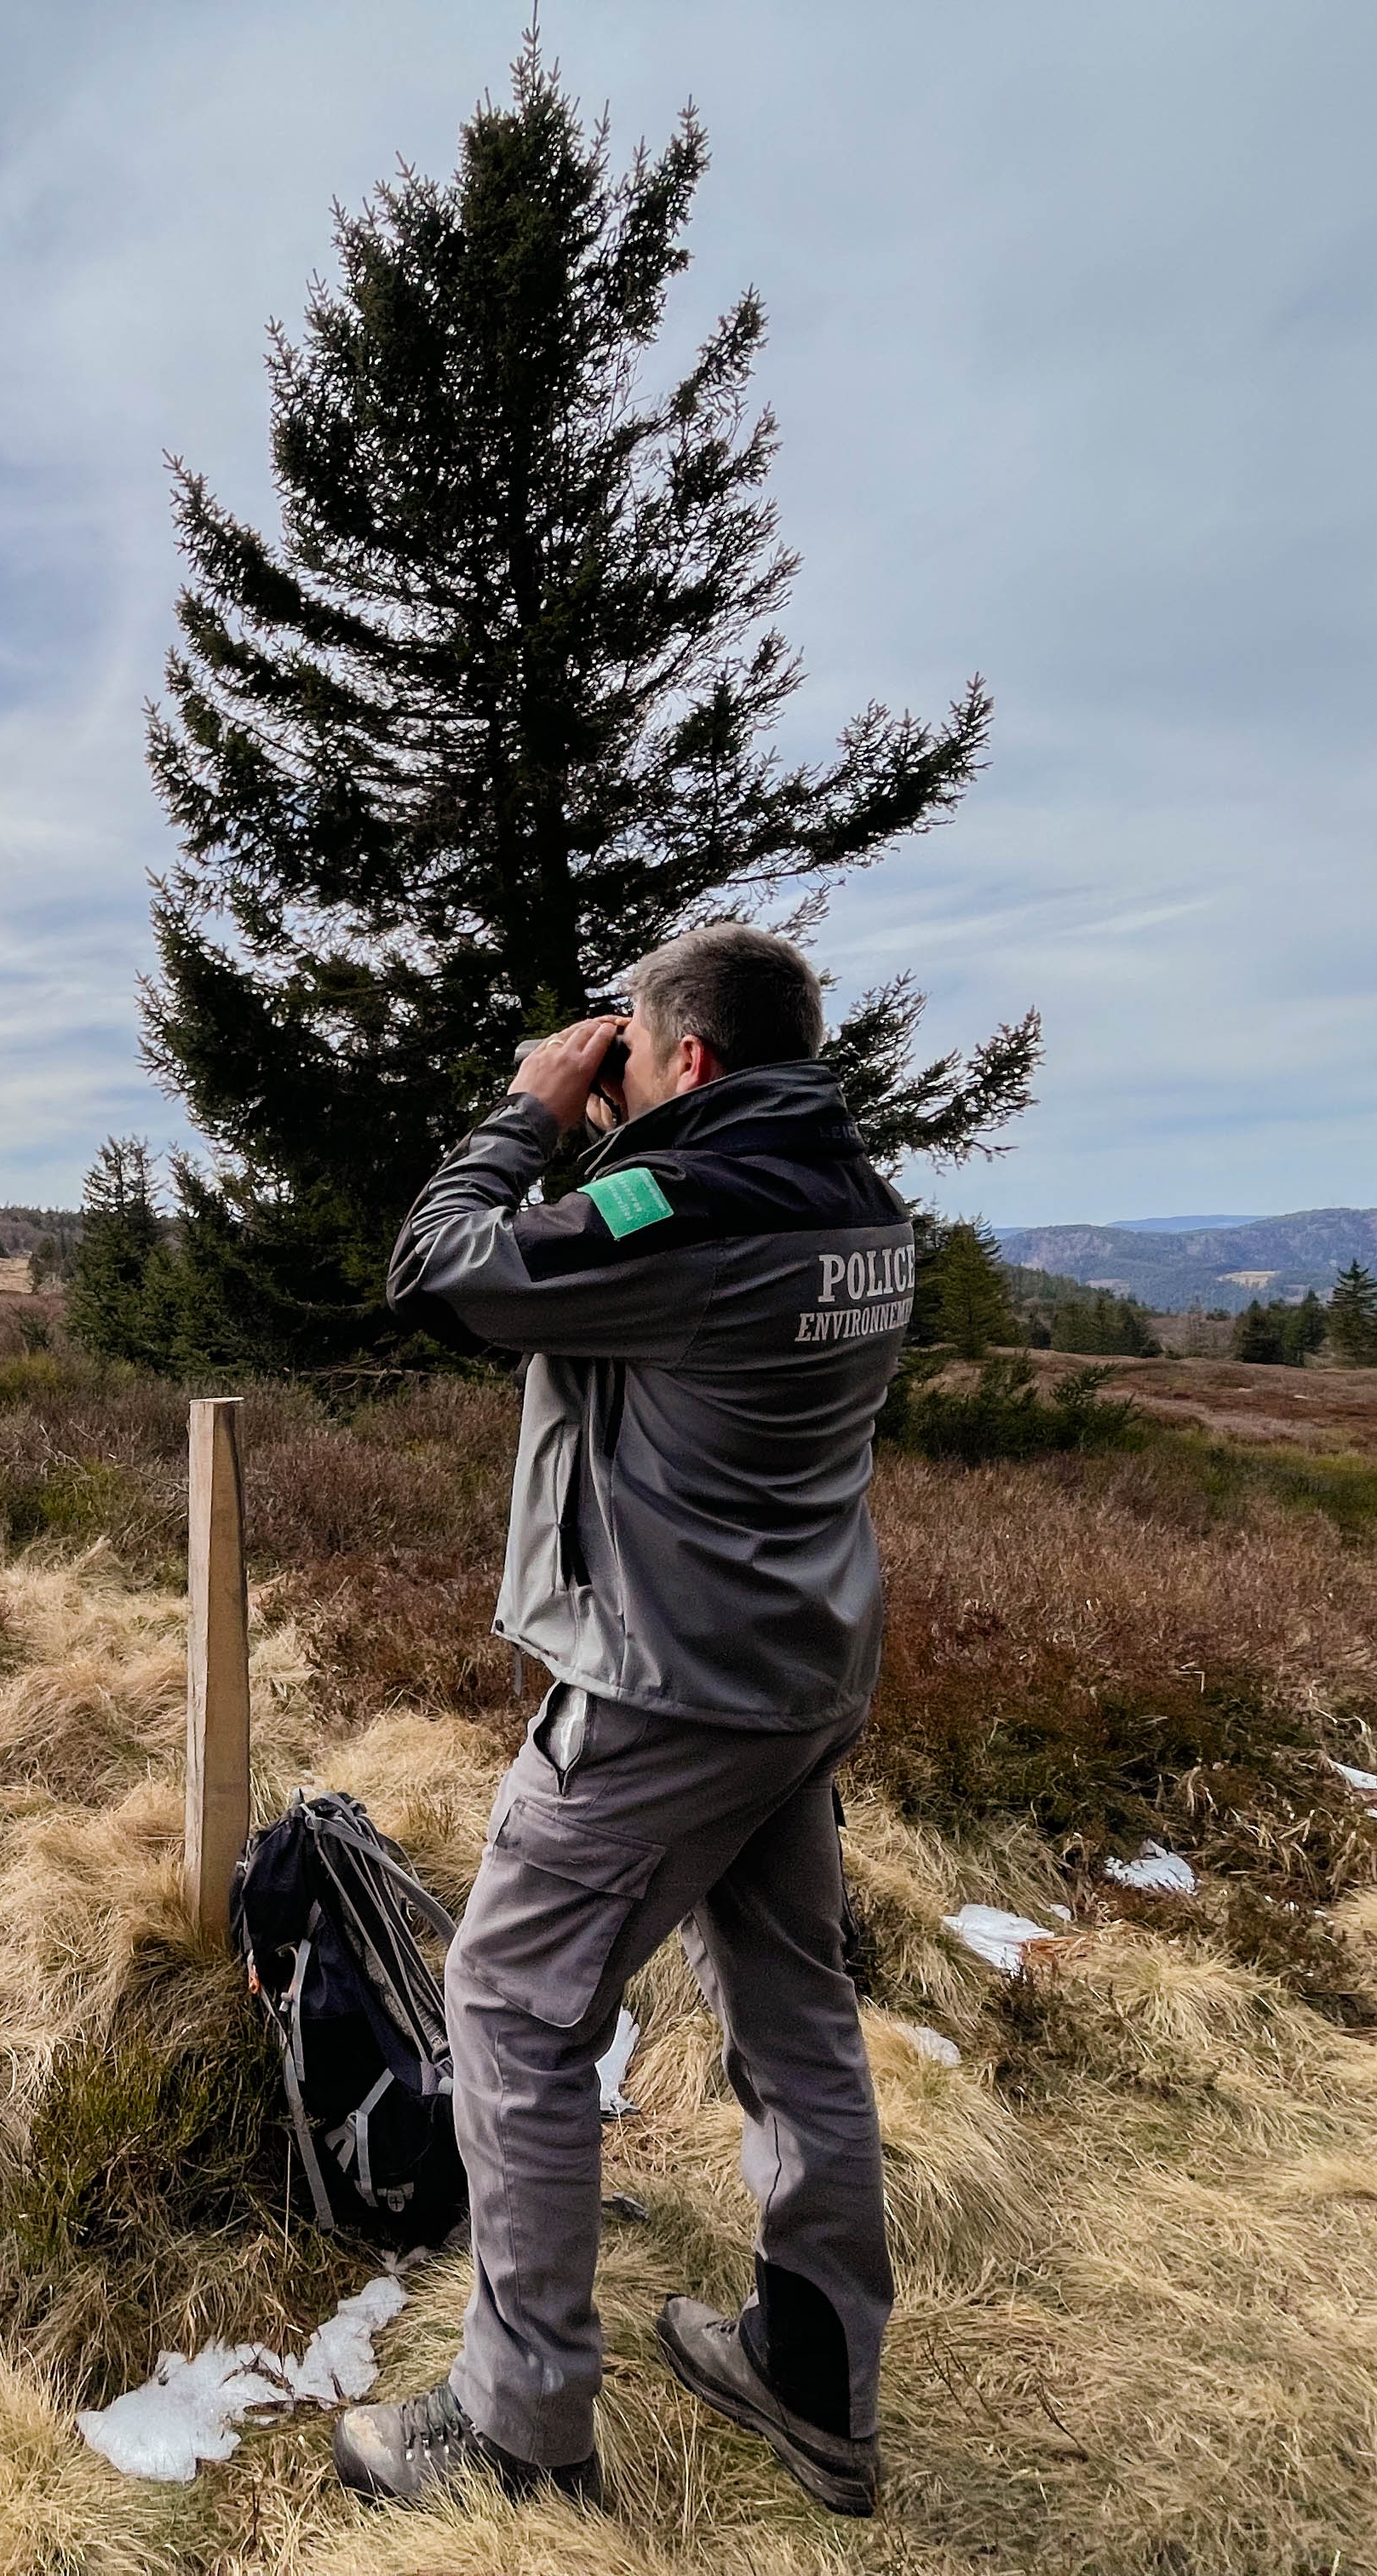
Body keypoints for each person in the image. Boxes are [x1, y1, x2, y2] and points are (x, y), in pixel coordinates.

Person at [330, 922, 915, 2520]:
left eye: (640, 1055)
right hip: (799, 1675)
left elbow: (444, 1268)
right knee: (795, 2010)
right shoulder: (859, 1204)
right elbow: (653, 1272)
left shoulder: (695, 1210)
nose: (622, 1075)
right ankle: (814, 2374)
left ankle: (516, 2422)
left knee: (512, 2002)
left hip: (666, 1693)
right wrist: (629, 1142)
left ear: (697, 1063)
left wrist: (527, 1115)